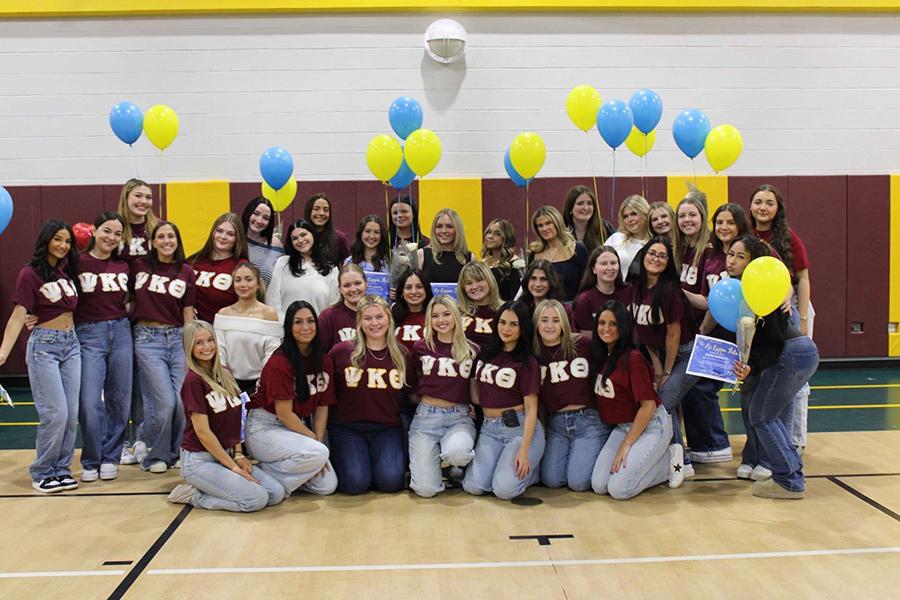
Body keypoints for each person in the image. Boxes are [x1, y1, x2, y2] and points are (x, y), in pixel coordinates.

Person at [728, 236, 818, 499]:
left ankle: (789, 480)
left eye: (740, 256)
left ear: (753, 263)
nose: (732, 260)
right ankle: (790, 471)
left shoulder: (762, 291)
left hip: (792, 354)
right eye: (730, 254)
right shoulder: (746, 290)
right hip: (797, 353)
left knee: (762, 416)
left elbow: (773, 342)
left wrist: (752, 365)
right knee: (766, 415)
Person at [166, 321, 285, 512]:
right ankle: (194, 495)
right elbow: (203, 433)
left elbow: (237, 419)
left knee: (275, 493)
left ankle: (215, 486)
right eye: (199, 343)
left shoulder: (224, 374)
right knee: (256, 500)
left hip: (227, 454)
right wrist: (234, 468)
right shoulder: (193, 381)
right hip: (200, 460)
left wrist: (238, 455)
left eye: (210, 340)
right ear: (189, 347)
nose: (207, 347)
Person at [0, 220, 80, 493]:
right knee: (55, 413)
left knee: (71, 415)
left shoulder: (65, 274)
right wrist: (2, 352)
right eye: (58, 239)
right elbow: (19, 314)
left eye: (67, 241)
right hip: (44, 348)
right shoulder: (30, 273)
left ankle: (61, 468)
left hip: (72, 346)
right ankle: (43, 471)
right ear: (46, 240)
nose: (63, 245)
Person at [590, 300, 685, 498]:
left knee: (619, 490)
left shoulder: (633, 358)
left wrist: (627, 444)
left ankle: (670, 458)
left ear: (623, 327)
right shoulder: (602, 354)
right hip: (623, 426)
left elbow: (648, 406)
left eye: (613, 324)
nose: (606, 328)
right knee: (599, 485)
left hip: (650, 425)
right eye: (602, 323)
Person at [244, 301, 337, 498]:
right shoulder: (280, 362)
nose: (306, 327)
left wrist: (318, 442)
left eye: (311, 321)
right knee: (318, 454)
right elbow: (284, 414)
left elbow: (322, 406)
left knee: (327, 486)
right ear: (289, 326)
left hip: (297, 429)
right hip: (265, 428)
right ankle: (261, 479)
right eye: (298, 322)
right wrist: (316, 447)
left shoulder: (324, 361)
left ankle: (267, 476)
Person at [750, 184, 814, 452]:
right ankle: (769, 439)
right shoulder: (745, 235)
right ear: (751, 205)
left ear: (778, 209)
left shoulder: (788, 238)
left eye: (769, 203)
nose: (763, 207)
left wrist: (802, 319)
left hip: (790, 309)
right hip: (761, 310)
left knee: (794, 377)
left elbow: (803, 279)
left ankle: (795, 439)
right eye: (758, 201)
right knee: (766, 375)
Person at [463, 300, 545, 500]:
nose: (506, 329)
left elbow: (532, 409)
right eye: (502, 322)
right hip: (490, 429)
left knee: (504, 490)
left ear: (522, 327)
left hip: (519, 428)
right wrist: (469, 401)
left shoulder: (527, 362)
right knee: (474, 486)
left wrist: (524, 450)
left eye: (513, 324)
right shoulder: (487, 354)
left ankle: (532, 470)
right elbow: (476, 391)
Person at [131, 221, 196, 473]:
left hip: (177, 337)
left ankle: (180, 450)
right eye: (161, 236)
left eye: (171, 236)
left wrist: (189, 347)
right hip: (147, 339)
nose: (167, 240)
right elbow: (124, 300)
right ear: (153, 241)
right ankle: (156, 454)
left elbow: (188, 312)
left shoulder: (186, 271)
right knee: (163, 402)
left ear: (177, 241)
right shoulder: (139, 266)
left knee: (181, 401)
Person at [630, 237, 698, 477]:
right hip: (660, 353)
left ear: (668, 262)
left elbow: (674, 334)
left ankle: (681, 462)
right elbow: (643, 330)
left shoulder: (669, 290)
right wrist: (657, 366)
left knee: (664, 402)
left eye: (662, 255)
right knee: (664, 404)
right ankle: (677, 458)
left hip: (686, 354)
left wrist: (668, 371)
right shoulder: (638, 287)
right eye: (652, 253)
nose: (655, 259)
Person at [328, 295, 407, 494]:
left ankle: (374, 465)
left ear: (389, 318)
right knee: (355, 483)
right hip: (348, 428)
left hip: (387, 429)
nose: (374, 323)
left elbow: (412, 394)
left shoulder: (402, 354)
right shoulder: (341, 352)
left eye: (379, 317)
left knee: (391, 482)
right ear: (359, 322)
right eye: (368, 318)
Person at [75, 212, 132, 483]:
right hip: (88, 334)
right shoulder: (77, 263)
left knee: (119, 400)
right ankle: (90, 458)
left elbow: (132, 299)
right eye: (107, 231)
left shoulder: (123, 266)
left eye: (117, 234)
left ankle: (111, 457)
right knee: (88, 402)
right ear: (94, 231)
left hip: (121, 331)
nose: (111, 237)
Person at [406, 296, 478, 497]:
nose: (441, 320)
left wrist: (474, 406)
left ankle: (452, 464)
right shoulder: (421, 347)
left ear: (455, 316)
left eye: (446, 314)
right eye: (435, 316)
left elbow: (474, 389)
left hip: (459, 417)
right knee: (425, 490)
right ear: (429, 319)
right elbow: (412, 385)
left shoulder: (472, 350)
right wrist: (423, 403)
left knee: (458, 453)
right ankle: (439, 467)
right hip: (426, 417)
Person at [534, 299, 609, 492]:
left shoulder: (583, 344)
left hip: (588, 419)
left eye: (555, 320)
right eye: (544, 320)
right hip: (556, 424)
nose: (550, 325)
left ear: (564, 323)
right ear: (536, 323)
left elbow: (610, 363)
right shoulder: (532, 354)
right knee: (551, 479)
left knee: (578, 483)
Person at [213, 263, 281, 394]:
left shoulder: (269, 314)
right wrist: (228, 382)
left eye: (248, 279)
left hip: (261, 384)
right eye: (238, 280)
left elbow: (271, 353)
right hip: (228, 383)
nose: (242, 284)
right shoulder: (223, 314)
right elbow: (219, 351)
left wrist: (261, 383)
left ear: (258, 283)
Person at [266, 219, 339, 319]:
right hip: (285, 330)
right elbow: (273, 299)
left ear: (312, 234)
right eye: (294, 238)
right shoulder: (282, 263)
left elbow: (334, 305)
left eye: (303, 234)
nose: (300, 240)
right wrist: (283, 327)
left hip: (319, 329)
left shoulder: (331, 268)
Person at [189, 213, 249, 323]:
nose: (223, 237)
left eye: (230, 234)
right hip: (193, 329)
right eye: (219, 231)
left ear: (237, 238)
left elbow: (247, 305)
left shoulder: (242, 266)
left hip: (225, 330)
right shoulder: (193, 261)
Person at [526, 206, 588, 301]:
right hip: (542, 310)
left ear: (557, 223)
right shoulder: (534, 254)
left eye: (548, 223)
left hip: (572, 308)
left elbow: (586, 283)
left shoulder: (578, 249)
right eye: (540, 225)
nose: (544, 228)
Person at [573, 245, 632, 333]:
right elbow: (587, 338)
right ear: (593, 269)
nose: (610, 268)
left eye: (613, 263)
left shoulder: (630, 291)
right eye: (604, 263)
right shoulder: (584, 301)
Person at [319, 264, 368, 351]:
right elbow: (321, 354)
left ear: (366, 284)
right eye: (347, 285)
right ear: (340, 289)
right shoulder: (328, 317)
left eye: (357, 283)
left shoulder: (378, 314)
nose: (353, 289)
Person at [416, 208, 473, 284]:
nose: (444, 231)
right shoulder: (421, 255)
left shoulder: (470, 258)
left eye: (449, 227)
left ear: (458, 229)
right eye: (439, 226)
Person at [457, 261, 503, 347]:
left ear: (489, 281)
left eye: (479, 280)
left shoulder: (504, 311)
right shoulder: (456, 312)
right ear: (463, 288)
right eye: (469, 283)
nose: (474, 286)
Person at [606, 194, 652, 282]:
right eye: (625, 216)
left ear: (645, 213)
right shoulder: (617, 238)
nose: (629, 219)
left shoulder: (655, 244)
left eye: (633, 214)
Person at [240, 196, 283, 285]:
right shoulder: (235, 239)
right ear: (248, 212)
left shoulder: (275, 245)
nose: (259, 220)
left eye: (266, 218)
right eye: (256, 213)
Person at [519, 260, 574, 325]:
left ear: (551, 282)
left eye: (543, 279)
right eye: (533, 278)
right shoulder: (520, 309)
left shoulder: (564, 310)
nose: (537, 284)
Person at [562, 184, 614, 253]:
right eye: (580, 204)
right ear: (570, 207)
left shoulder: (605, 227)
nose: (586, 208)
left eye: (589, 203)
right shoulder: (562, 229)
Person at [117, 178, 159, 264]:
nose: (144, 201)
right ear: (126, 198)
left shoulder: (159, 228)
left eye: (148, 197)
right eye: (138, 196)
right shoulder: (113, 228)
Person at [392, 267, 433, 352]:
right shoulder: (391, 314)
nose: (414, 292)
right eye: (408, 287)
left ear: (426, 289)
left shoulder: (435, 315)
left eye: (419, 287)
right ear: (401, 292)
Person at [481, 218, 522, 301]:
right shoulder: (481, 264)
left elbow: (515, 297)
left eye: (497, 234)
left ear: (506, 237)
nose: (490, 236)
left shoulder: (514, 265)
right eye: (489, 232)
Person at [305, 193, 351, 265]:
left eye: (326, 210)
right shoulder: (300, 237)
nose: (321, 213)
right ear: (309, 211)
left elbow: (349, 265)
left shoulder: (339, 238)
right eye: (316, 209)